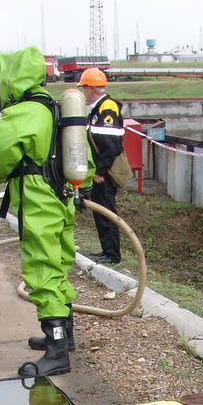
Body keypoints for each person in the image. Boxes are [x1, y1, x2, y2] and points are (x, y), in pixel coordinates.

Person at [0, 47, 78, 378]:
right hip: (62, 196)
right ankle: (65, 335)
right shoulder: (54, 107)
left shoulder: (22, 114)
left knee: (42, 268)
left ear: (10, 79)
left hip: (38, 200)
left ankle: (56, 350)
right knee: (59, 263)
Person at [79, 67, 124, 265]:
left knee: (106, 210)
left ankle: (112, 254)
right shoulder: (98, 107)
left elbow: (111, 144)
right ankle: (107, 250)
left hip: (105, 171)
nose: (83, 92)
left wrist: (100, 170)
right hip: (101, 169)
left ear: (90, 88)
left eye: (84, 88)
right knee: (100, 210)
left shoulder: (107, 108)